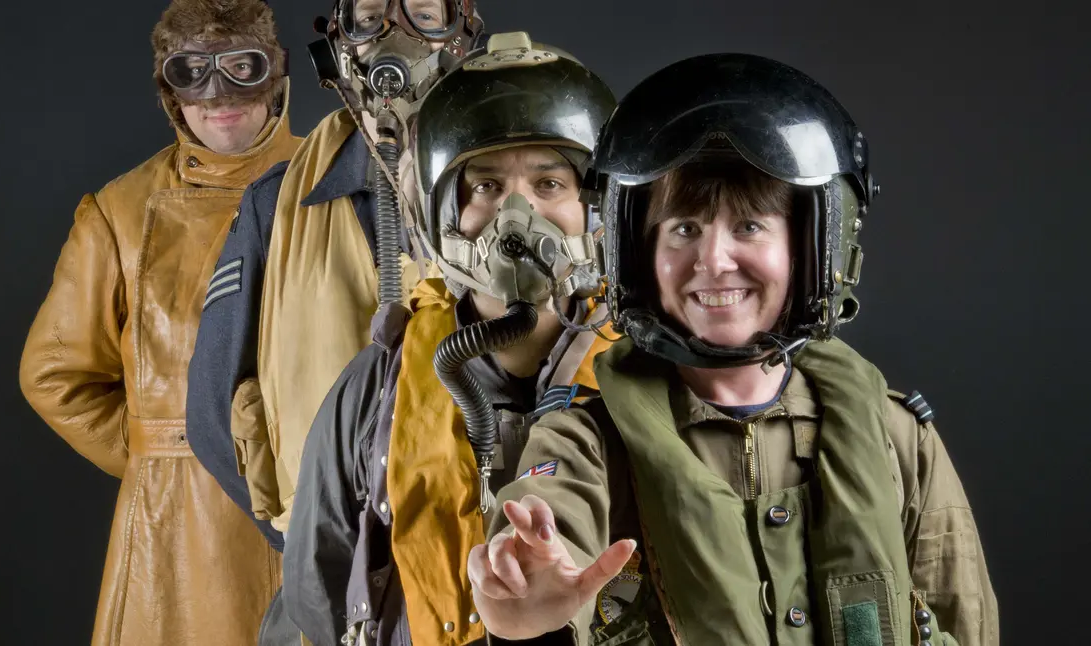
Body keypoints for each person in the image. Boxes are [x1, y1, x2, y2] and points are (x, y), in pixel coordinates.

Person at [468, 53, 999, 646]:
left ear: (811, 249)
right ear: (637, 255)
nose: (714, 261)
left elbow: (964, 622)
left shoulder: (898, 439)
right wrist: (522, 608)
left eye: (750, 227)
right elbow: (546, 528)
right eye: (684, 229)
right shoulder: (585, 444)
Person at [282, 32, 617, 646]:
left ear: (597, 209)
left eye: (549, 185)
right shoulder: (376, 388)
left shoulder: (643, 377)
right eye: (485, 186)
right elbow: (314, 588)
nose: (518, 217)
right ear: (439, 214)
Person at [18, 1, 301, 644]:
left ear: (277, 74)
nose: (217, 93)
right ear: (167, 89)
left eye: (241, 66)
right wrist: (171, 456)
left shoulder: (343, 187)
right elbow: (54, 374)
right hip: (181, 531)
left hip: (323, 506)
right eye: (191, 71)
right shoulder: (122, 211)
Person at [185, 0, 485, 547]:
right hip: (340, 555)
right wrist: (305, 544)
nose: (396, 34)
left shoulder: (522, 191)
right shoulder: (275, 205)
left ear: (462, 36)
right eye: (369, 16)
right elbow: (211, 415)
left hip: (484, 547)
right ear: (340, 43)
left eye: (422, 13)